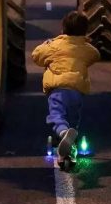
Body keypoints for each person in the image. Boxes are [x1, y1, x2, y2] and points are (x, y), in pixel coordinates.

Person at [31, 11, 101, 159]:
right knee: (73, 118)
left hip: (58, 89)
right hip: (76, 91)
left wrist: (47, 43)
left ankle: (63, 133)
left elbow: (36, 56)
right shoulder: (85, 48)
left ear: (63, 29)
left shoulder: (54, 45)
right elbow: (96, 55)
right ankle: (71, 140)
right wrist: (85, 43)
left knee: (56, 115)